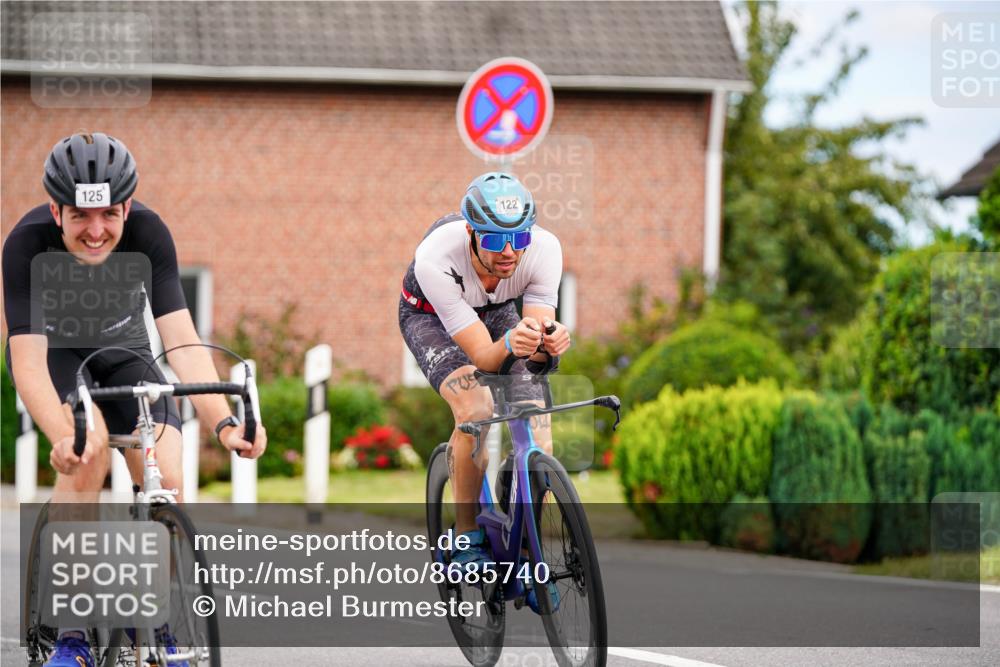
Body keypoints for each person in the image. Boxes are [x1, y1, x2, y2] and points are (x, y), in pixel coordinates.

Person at [2, 132, 268, 667]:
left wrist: (223, 424)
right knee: (87, 455)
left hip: (126, 352)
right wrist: (64, 437)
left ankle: (149, 614)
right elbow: (27, 363)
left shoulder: (149, 234)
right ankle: (73, 631)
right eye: (79, 216)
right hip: (59, 357)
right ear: (56, 210)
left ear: (126, 206)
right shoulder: (27, 243)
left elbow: (184, 345)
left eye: (108, 216)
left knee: (166, 474)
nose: (96, 231)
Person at [399, 171, 571, 576]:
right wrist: (512, 344)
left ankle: (523, 516)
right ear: (471, 233)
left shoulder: (546, 249)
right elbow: (484, 358)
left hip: (496, 312)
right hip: (431, 318)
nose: (510, 251)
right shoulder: (436, 258)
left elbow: (534, 340)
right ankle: (466, 534)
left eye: (519, 238)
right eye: (494, 239)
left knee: (535, 412)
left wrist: (549, 342)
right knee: (476, 408)